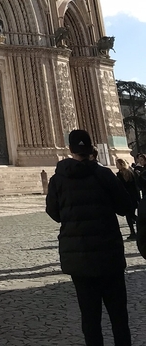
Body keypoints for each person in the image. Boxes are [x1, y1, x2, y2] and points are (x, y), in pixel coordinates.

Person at [46, 129, 133, 346]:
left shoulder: (58, 179)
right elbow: (126, 206)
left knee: (90, 317)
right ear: (91, 148)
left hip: (80, 259)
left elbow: (53, 213)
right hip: (109, 255)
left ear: (70, 150)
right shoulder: (104, 174)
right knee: (118, 316)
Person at [115, 158, 138, 240]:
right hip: (132, 197)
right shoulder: (130, 172)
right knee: (130, 215)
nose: (116, 165)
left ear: (121, 164)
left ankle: (133, 231)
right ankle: (133, 231)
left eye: (117, 164)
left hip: (127, 198)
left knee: (130, 216)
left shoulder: (121, 175)